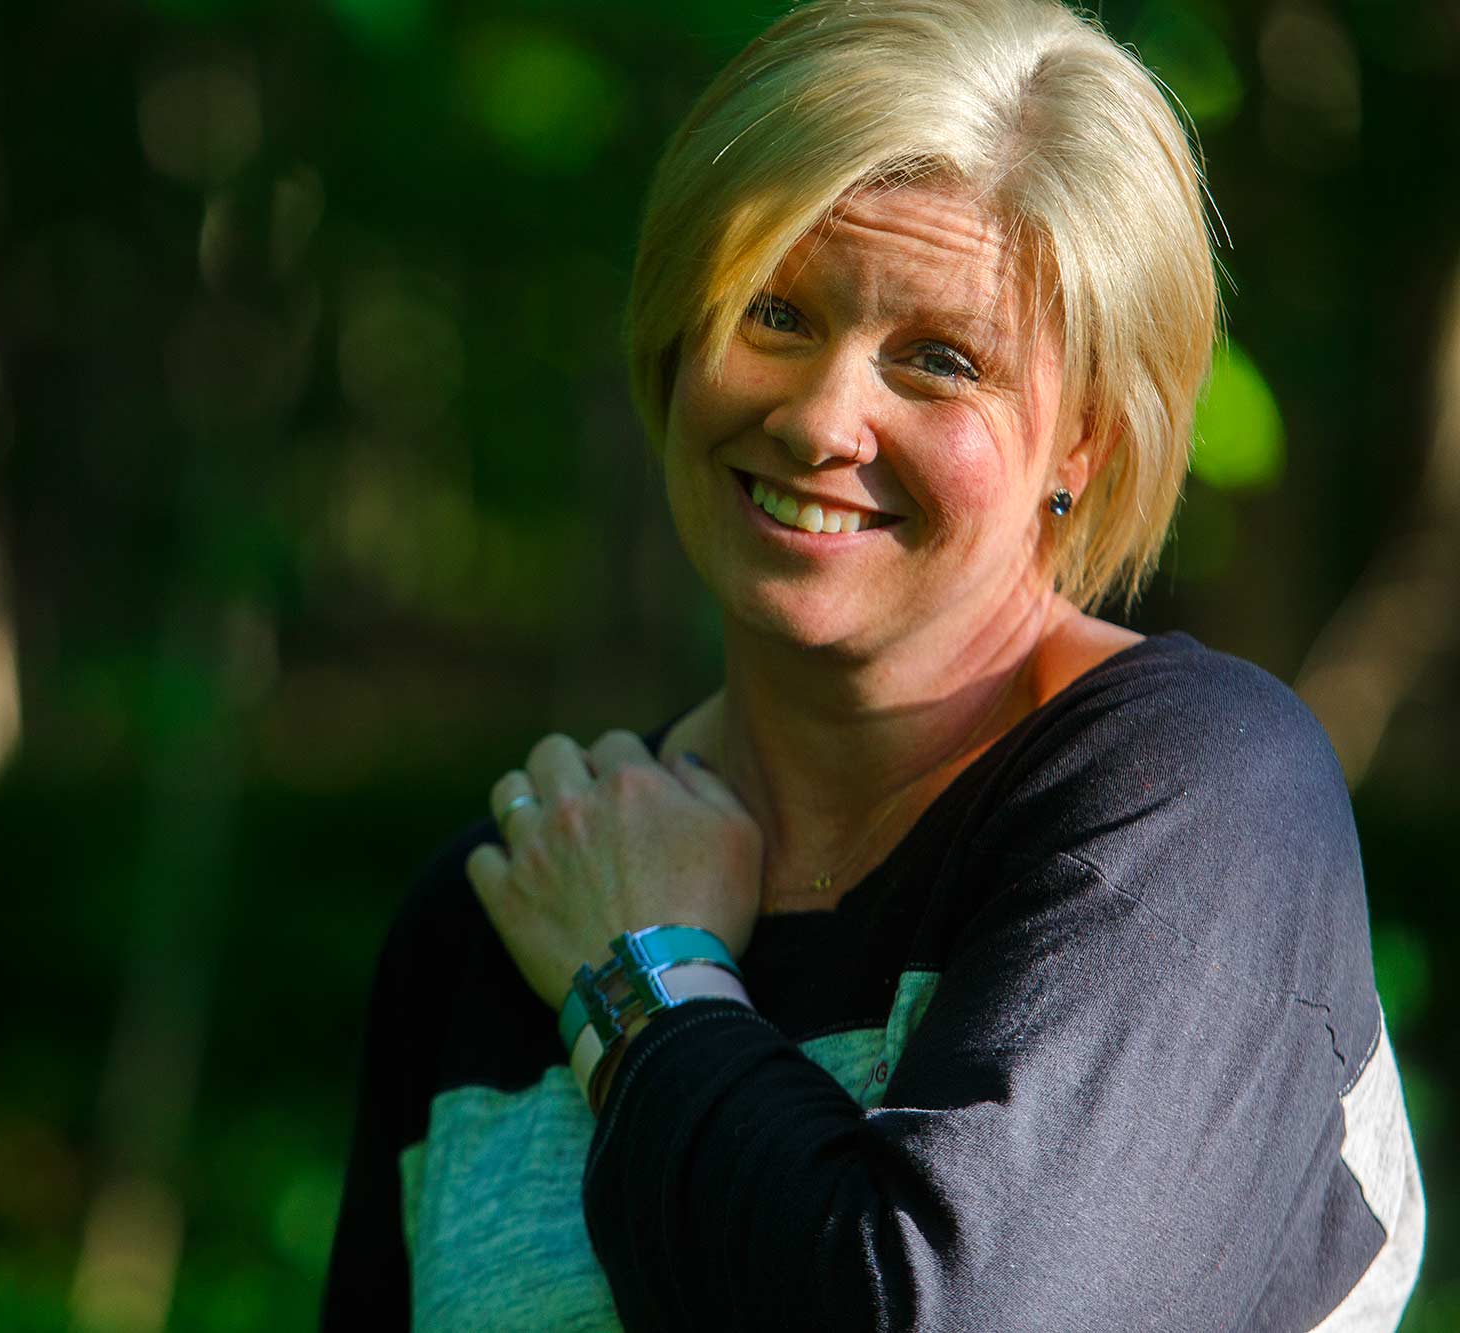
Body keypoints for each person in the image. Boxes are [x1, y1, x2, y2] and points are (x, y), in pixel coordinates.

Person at [321, 0, 1425, 1326]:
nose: (822, 415)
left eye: (941, 359)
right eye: (774, 311)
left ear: (1085, 445)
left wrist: (645, 980)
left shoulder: (1198, 801)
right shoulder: (505, 900)